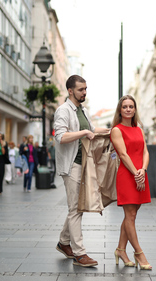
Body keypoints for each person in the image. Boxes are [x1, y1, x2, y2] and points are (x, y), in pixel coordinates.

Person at [53, 75, 109, 267]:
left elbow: (93, 129)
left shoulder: (81, 110)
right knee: (76, 209)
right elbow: (61, 136)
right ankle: (79, 254)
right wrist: (84, 133)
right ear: (70, 91)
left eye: (85, 89)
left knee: (76, 208)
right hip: (71, 166)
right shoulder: (63, 111)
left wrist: (115, 130)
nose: (84, 92)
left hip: (83, 164)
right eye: (81, 89)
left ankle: (63, 242)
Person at [110, 95, 152, 270]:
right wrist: (136, 173)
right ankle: (139, 253)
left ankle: (120, 249)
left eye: (131, 106)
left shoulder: (139, 129)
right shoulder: (116, 130)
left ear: (135, 109)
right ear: (120, 110)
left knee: (131, 215)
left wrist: (143, 169)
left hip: (140, 174)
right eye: (125, 106)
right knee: (131, 216)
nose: (128, 109)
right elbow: (123, 155)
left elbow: (145, 152)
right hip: (127, 176)